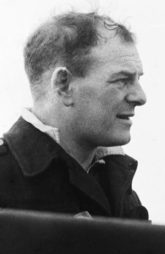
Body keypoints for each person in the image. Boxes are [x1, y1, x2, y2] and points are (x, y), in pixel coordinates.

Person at [0, 11, 149, 219]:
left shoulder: (114, 177)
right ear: (63, 85)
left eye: (137, 80)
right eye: (121, 80)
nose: (140, 97)